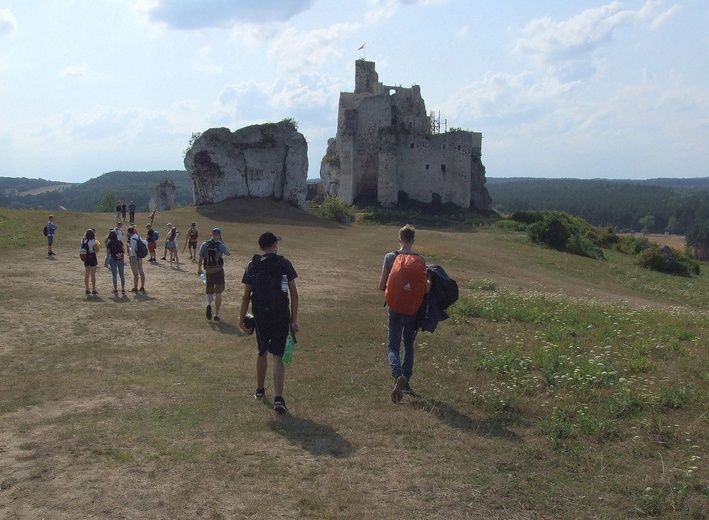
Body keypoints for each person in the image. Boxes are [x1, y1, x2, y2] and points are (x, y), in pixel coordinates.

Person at [239, 232, 299, 414]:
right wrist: (294, 320)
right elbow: (294, 294)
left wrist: (241, 319)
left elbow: (246, 296)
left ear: (260, 248)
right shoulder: (284, 263)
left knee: (262, 351)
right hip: (281, 314)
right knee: (278, 356)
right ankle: (279, 398)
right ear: (275, 245)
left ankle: (260, 390)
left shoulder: (253, 265)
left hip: (260, 315)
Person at [378, 224, 431, 403]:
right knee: (408, 343)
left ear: (399, 239)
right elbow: (425, 290)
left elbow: (381, 285)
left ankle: (397, 374)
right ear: (413, 241)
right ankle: (406, 383)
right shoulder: (421, 259)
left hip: (394, 307)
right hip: (412, 310)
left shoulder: (389, 257)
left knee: (393, 345)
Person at [197, 228, 231, 322]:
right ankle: (216, 314)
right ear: (219, 235)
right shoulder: (219, 245)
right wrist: (222, 241)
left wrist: (199, 269)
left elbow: (200, 258)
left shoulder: (205, 244)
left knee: (209, 291)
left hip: (208, 270)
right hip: (218, 271)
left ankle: (208, 304)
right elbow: (228, 253)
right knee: (218, 292)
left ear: (211, 234)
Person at [106, 230, 126, 294]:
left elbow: (108, 254)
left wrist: (106, 262)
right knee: (122, 275)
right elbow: (123, 251)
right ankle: (123, 289)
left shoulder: (110, 243)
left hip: (113, 259)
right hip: (120, 258)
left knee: (114, 275)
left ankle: (115, 289)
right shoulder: (120, 242)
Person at [127, 226, 146, 292]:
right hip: (140, 256)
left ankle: (135, 287)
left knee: (135, 273)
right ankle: (142, 286)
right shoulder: (138, 237)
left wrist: (128, 248)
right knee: (141, 272)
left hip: (134, 257)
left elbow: (132, 250)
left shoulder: (132, 239)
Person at [81, 228, 99, 295]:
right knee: (93, 274)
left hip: (86, 257)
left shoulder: (83, 240)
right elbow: (96, 250)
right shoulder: (93, 241)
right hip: (92, 256)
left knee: (87, 273)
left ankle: (87, 289)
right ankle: (94, 289)